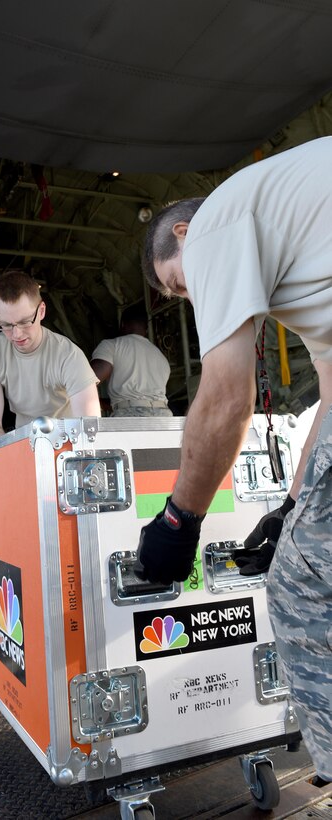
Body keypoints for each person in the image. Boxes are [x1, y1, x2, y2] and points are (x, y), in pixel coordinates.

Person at [139, 136, 332, 784]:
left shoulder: (219, 219)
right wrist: (292, 503)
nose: (192, 299)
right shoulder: (307, 254)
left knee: (303, 590)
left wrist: (178, 521)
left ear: (185, 234)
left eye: (178, 284)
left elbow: (226, 398)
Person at [0, 270, 101, 441]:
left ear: (41, 311)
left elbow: (89, 424)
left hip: (68, 443)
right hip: (22, 443)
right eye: (5, 325)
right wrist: (3, 447)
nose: (17, 334)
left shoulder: (69, 355)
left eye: (25, 322)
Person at [90, 304, 172, 417]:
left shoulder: (111, 345)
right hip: (164, 417)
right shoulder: (161, 357)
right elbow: (138, 400)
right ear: (146, 329)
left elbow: (89, 380)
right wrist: (99, 402)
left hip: (130, 417)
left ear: (122, 324)